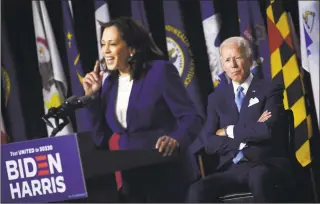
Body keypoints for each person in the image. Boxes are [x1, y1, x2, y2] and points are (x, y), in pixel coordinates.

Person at [82, 17, 203, 202]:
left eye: (112, 44)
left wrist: (176, 140)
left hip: (167, 172)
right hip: (133, 178)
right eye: (103, 44)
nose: (105, 50)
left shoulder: (160, 72)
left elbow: (192, 118)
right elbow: (101, 138)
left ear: (132, 49)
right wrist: (92, 98)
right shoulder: (109, 84)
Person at [187, 36, 290, 202]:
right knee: (197, 190)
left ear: (249, 59)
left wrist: (228, 131)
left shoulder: (269, 88)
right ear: (223, 66)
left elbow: (266, 130)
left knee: (259, 177)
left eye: (238, 58)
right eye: (228, 60)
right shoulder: (216, 98)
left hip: (266, 164)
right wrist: (246, 136)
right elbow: (209, 142)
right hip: (232, 168)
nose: (233, 65)